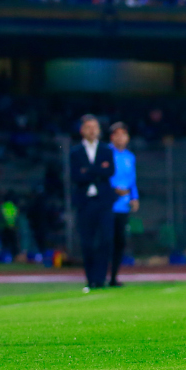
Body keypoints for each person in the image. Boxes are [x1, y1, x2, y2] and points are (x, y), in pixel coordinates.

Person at [70, 115, 116, 291]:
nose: (91, 130)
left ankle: (100, 278)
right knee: (87, 243)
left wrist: (88, 170)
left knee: (105, 240)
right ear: (82, 130)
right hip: (85, 203)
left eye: (94, 127)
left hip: (103, 202)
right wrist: (98, 170)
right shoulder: (75, 152)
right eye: (88, 127)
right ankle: (90, 280)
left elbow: (110, 171)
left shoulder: (106, 150)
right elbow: (76, 176)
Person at [108, 122, 139, 287]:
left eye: (124, 134)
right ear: (112, 137)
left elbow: (132, 180)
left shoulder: (129, 157)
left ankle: (113, 277)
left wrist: (135, 197)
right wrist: (114, 189)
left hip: (123, 206)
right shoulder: (106, 152)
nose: (121, 138)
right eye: (117, 134)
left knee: (120, 241)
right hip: (108, 204)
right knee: (106, 241)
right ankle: (100, 274)